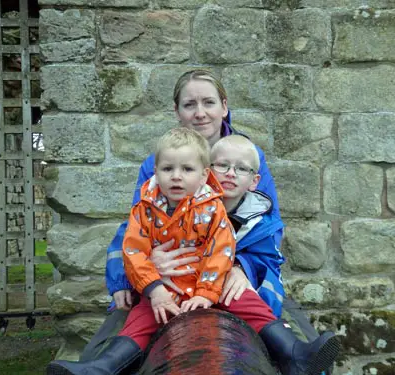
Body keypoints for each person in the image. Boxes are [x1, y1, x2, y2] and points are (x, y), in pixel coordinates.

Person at [47, 131, 341, 375]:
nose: (176, 177)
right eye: (167, 169)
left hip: (209, 286)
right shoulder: (144, 211)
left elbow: (221, 250)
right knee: (140, 320)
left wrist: (206, 292)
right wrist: (154, 288)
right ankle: (104, 367)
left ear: (203, 176)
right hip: (168, 286)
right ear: (155, 172)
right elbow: (133, 252)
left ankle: (293, 354)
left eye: (186, 170)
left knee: (250, 304)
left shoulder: (213, 210)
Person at [79, 69, 283, 362]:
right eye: (190, 105)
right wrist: (131, 276)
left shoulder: (247, 156)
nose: (200, 113)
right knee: (127, 322)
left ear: (224, 107)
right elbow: (138, 222)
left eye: (209, 103)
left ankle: (292, 354)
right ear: (177, 111)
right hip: (171, 270)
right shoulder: (160, 162)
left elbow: (267, 225)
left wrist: (242, 267)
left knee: (261, 321)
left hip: (233, 266)